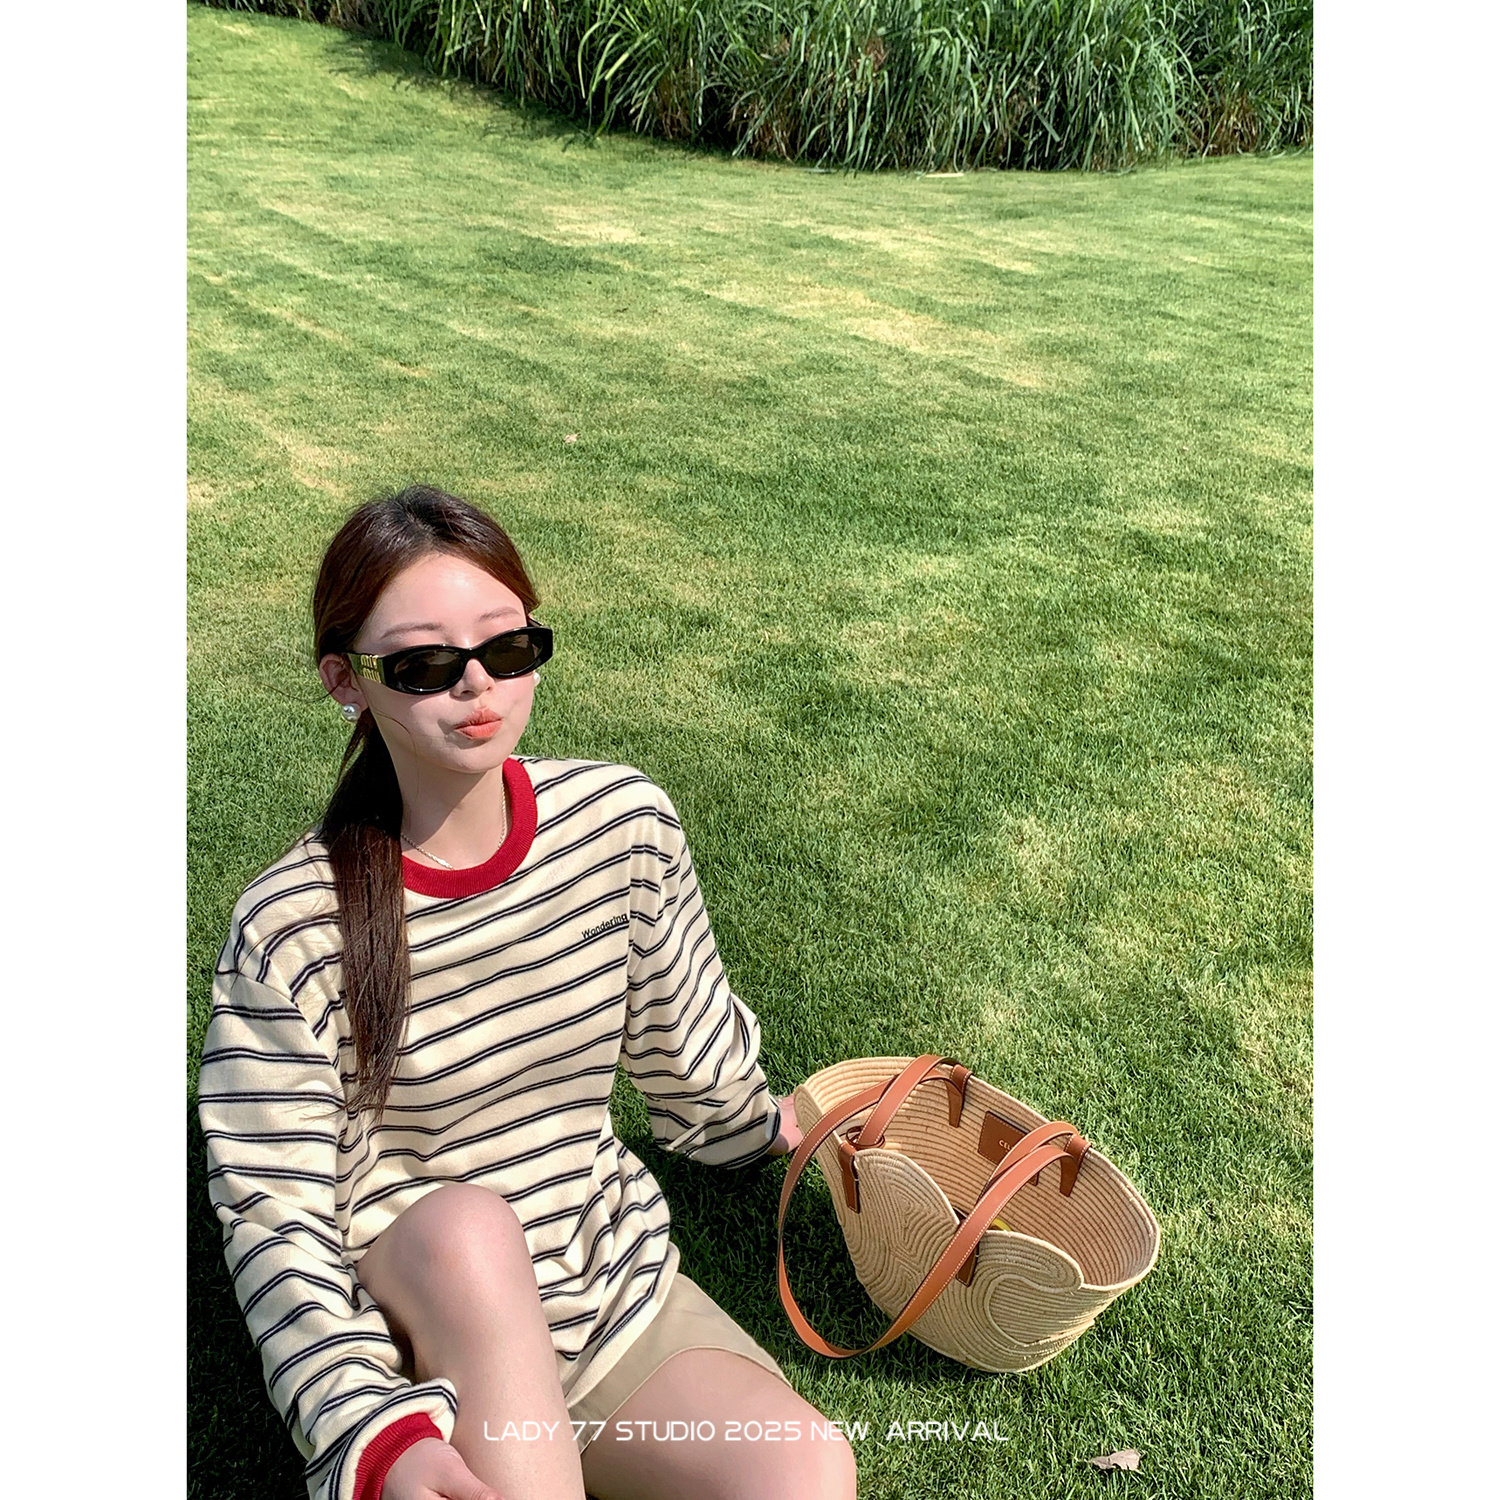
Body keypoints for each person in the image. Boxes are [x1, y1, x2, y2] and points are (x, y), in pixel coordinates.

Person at [198, 485, 858, 1500]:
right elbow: (274, 1213)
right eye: (423, 666)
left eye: (507, 649)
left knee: (804, 1472)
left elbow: (687, 1050)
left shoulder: (621, 824)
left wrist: (760, 1129)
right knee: (469, 1229)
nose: (478, 686)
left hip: (601, 1288)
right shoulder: (291, 925)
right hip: (417, 1325)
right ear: (346, 680)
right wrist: (376, 1436)